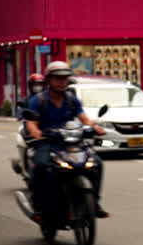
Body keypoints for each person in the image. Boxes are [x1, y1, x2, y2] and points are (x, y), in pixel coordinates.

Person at [25, 61, 110, 219]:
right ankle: (38, 205)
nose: (61, 81)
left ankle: (94, 202)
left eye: (64, 78)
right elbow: (31, 123)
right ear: (49, 80)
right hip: (47, 142)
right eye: (57, 78)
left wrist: (95, 127)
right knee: (42, 166)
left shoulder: (72, 99)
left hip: (71, 142)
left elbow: (84, 118)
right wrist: (36, 131)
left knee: (96, 164)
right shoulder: (38, 100)